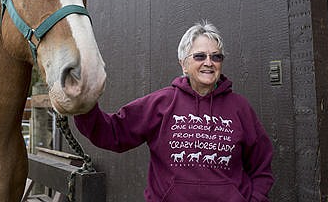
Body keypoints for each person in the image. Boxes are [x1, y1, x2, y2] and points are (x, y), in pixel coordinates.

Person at [74, 21, 274, 202]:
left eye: (216, 56)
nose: (208, 62)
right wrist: (83, 105)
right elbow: (113, 133)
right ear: (183, 64)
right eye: (199, 56)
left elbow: (261, 165)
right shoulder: (161, 103)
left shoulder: (240, 108)